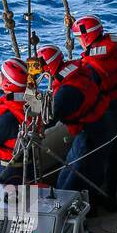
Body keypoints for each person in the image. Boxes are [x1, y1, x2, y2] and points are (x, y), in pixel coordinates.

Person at [72, 15, 117, 196]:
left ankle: (96, 196)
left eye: (78, 38)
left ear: (86, 38)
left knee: (98, 155)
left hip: (106, 112)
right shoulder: (114, 44)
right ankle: (112, 193)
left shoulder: (91, 64)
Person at [39, 43, 109, 202]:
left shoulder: (65, 93)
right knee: (87, 171)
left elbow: (47, 120)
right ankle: (93, 205)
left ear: (49, 67)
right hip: (99, 123)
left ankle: (71, 213)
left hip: (88, 134)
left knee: (70, 182)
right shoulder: (76, 68)